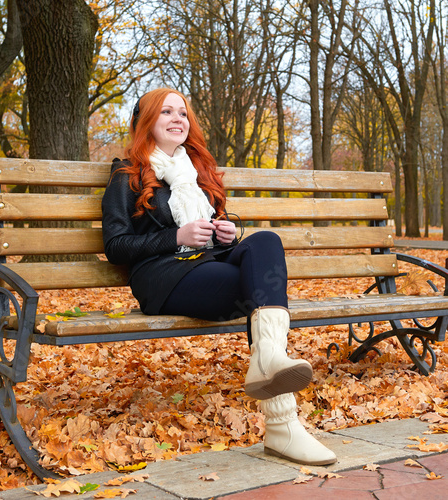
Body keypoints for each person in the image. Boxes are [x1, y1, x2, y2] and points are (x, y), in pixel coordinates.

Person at [101, 88, 336, 466]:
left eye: (183, 113)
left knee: (265, 242)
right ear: (146, 122)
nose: (179, 119)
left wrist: (224, 232)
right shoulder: (126, 175)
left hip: (207, 265)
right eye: (166, 112)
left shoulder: (197, 173)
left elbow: (214, 238)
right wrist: (174, 236)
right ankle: (283, 426)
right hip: (164, 277)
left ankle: (270, 365)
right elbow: (115, 246)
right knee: (257, 287)